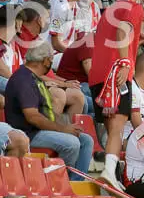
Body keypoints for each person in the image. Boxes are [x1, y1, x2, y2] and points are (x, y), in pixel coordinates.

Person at [4, 41, 94, 182]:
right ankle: (59, 183)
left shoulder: (35, 78)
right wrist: (63, 129)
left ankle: (75, 182)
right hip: (28, 133)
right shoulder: (23, 79)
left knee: (86, 140)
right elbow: (33, 117)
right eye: (51, 60)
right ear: (46, 61)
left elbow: (47, 113)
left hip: (39, 130)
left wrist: (67, 127)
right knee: (72, 143)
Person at [88, 0, 144, 191]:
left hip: (97, 74)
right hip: (116, 73)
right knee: (118, 126)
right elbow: (123, 30)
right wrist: (124, 63)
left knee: (112, 126)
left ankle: (109, 174)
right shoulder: (134, 8)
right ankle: (108, 172)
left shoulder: (108, 10)